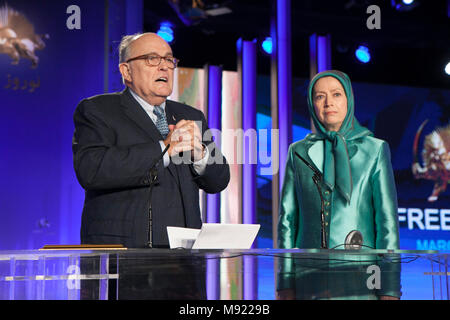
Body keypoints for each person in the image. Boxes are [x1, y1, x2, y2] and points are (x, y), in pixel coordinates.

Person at [72, 32, 230, 249]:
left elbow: (219, 181)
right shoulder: (98, 110)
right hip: (123, 250)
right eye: (152, 59)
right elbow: (92, 169)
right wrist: (164, 148)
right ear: (126, 71)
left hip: (182, 257)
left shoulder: (191, 116)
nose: (164, 66)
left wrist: (200, 155)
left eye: (168, 59)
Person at [277, 70, 400, 300]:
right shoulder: (298, 152)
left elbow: (387, 222)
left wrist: (390, 288)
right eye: (319, 96)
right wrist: (284, 283)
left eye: (336, 94)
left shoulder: (374, 150)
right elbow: (287, 221)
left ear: (349, 99)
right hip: (308, 279)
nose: (328, 103)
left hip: (359, 280)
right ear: (312, 103)